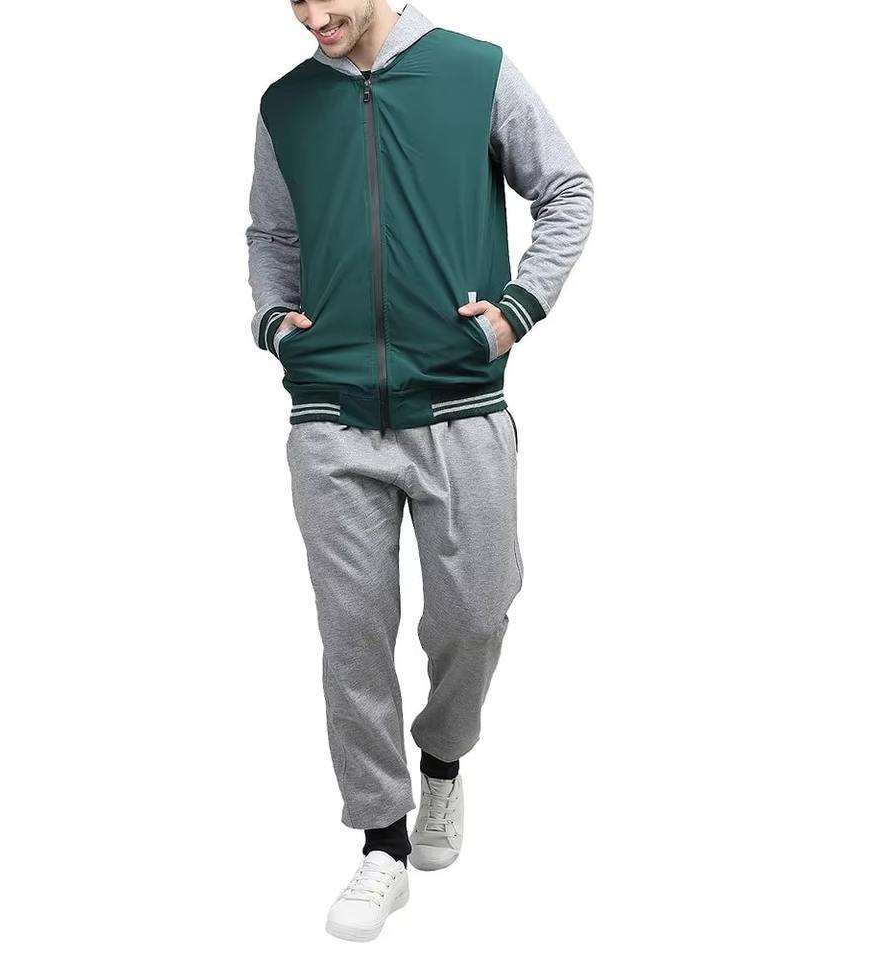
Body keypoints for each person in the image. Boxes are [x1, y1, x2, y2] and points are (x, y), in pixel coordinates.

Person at [247, 1, 592, 941]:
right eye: (293, 0)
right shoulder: (286, 104)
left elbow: (567, 188)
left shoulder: (476, 71)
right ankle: (382, 842)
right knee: (352, 636)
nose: (311, 16)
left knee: (476, 613)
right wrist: (276, 322)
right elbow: (272, 235)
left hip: (459, 405)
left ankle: (442, 759)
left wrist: (519, 308)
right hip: (331, 416)